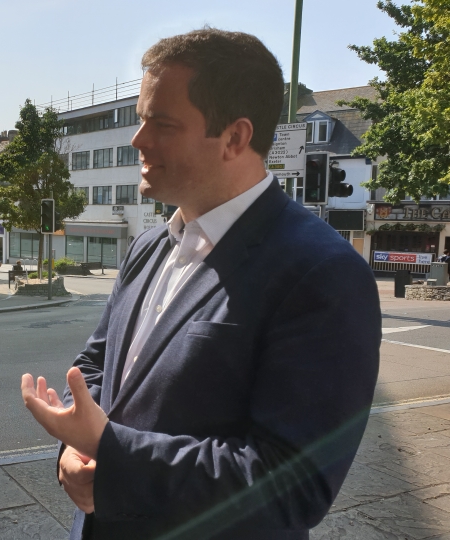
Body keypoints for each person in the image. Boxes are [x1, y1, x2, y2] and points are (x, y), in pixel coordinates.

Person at [21, 29, 381, 540]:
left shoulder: (322, 272)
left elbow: (293, 486)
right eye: (141, 119)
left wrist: (116, 460)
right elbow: (99, 366)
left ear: (235, 137)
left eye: (161, 123)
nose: (138, 140)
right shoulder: (150, 245)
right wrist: (76, 446)